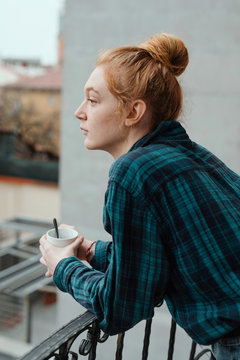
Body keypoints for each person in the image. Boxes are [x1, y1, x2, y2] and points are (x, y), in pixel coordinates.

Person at [39, 33, 240, 360]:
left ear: (133, 112)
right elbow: (158, 261)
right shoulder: (193, 156)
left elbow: (119, 307)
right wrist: (91, 251)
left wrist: (62, 266)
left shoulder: (132, 172)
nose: (79, 112)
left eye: (92, 99)